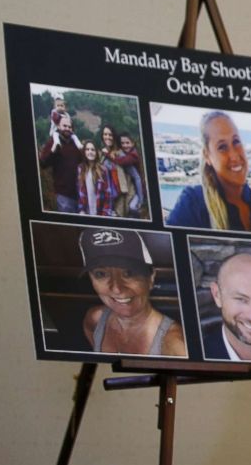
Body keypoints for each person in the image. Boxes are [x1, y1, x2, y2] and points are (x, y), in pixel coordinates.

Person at [167, 111, 251, 234]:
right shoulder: (193, 203)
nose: (234, 155)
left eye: (236, 142)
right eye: (222, 147)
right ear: (207, 156)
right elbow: (166, 249)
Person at [79, 227, 186, 357]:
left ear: (151, 278)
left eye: (128, 273)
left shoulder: (175, 345)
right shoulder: (95, 318)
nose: (116, 288)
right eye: (101, 274)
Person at [38, 113, 82, 213]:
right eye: (65, 126)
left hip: (79, 193)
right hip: (63, 194)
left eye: (70, 127)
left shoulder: (76, 144)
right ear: (58, 126)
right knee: (68, 225)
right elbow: (43, 164)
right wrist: (53, 150)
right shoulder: (53, 142)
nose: (67, 129)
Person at [99, 125, 134, 217]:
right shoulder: (101, 154)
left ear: (114, 137)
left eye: (110, 135)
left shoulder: (120, 154)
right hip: (105, 199)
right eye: (105, 134)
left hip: (118, 200)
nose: (107, 137)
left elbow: (132, 177)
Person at [76, 140, 114, 217]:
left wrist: (105, 214)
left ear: (96, 152)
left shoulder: (103, 170)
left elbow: (108, 194)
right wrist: (81, 210)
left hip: (100, 212)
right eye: (87, 149)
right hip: (86, 213)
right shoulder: (80, 169)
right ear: (84, 152)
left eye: (93, 150)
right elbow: (80, 193)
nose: (90, 152)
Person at [114, 132, 146, 217]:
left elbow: (122, 161)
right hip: (134, 187)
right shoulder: (127, 153)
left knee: (132, 207)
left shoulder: (133, 155)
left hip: (139, 189)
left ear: (133, 143)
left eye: (127, 143)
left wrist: (140, 198)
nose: (125, 145)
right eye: (122, 143)